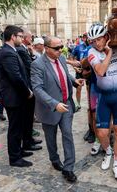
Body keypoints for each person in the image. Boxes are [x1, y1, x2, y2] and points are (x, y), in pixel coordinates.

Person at [31, 36, 83, 183]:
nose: (61, 50)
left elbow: (65, 76)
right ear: (46, 49)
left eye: (62, 47)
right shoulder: (37, 65)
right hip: (50, 108)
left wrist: (74, 82)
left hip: (66, 104)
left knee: (67, 134)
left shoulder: (61, 59)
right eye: (57, 48)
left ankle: (68, 168)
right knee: (50, 137)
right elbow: (37, 88)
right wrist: (54, 104)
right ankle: (54, 159)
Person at [87, 24, 117, 179]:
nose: (97, 43)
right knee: (101, 132)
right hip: (104, 96)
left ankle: (116, 162)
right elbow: (100, 71)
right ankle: (108, 151)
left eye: (99, 39)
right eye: (93, 41)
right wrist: (109, 52)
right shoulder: (92, 52)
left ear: (106, 37)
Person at [0, 25, 34, 167]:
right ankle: (14, 158)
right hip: (13, 97)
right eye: (20, 36)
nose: (22, 38)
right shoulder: (8, 52)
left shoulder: (11, 51)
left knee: (19, 126)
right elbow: (16, 77)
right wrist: (27, 91)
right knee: (14, 128)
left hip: (16, 97)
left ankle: (18, 150)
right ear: (13, 37)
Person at [16, 29, 42, 152]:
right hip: (27, 86)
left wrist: (31, 54)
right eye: (30, 37)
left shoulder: (24, 48)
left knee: (29, 115)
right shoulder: (21, 50)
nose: (31, 39)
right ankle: (27, 141)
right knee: (27, 116)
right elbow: (30, 65)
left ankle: (29, 139)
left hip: (29, 84)